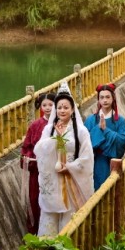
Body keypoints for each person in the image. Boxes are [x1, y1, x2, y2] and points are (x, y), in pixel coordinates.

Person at [33, 81, 94, 237]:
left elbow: (87, 157)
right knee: (50, 216)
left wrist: (71, 167)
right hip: (53, 179)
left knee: (70, 214)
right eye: (59, 107)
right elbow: (39, 149)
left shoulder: (81, 131)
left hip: (72, 177)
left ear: (73, 109)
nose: (62, 110)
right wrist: (56, 139)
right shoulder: (49, 129)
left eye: (66, 107)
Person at [19, 92, 56, 235]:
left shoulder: (60, 123)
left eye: (50, 105)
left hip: (54, 171)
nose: (47, 108)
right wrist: (28, 158)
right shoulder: (35, 125)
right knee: (35, 200)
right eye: (44, 105)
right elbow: (26, 147)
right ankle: (34, 232)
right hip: (37, 171)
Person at [84, 83, 125, 190]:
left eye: (108, 97)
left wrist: (105, 130)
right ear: (98, 100)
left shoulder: (120, 120)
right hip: (94, 161)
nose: (105, 100)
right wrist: (98, 130)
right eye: (102, 97)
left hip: (112, 163)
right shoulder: (91, 120)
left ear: (113, 98)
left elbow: (122, 140)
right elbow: (84, 141)